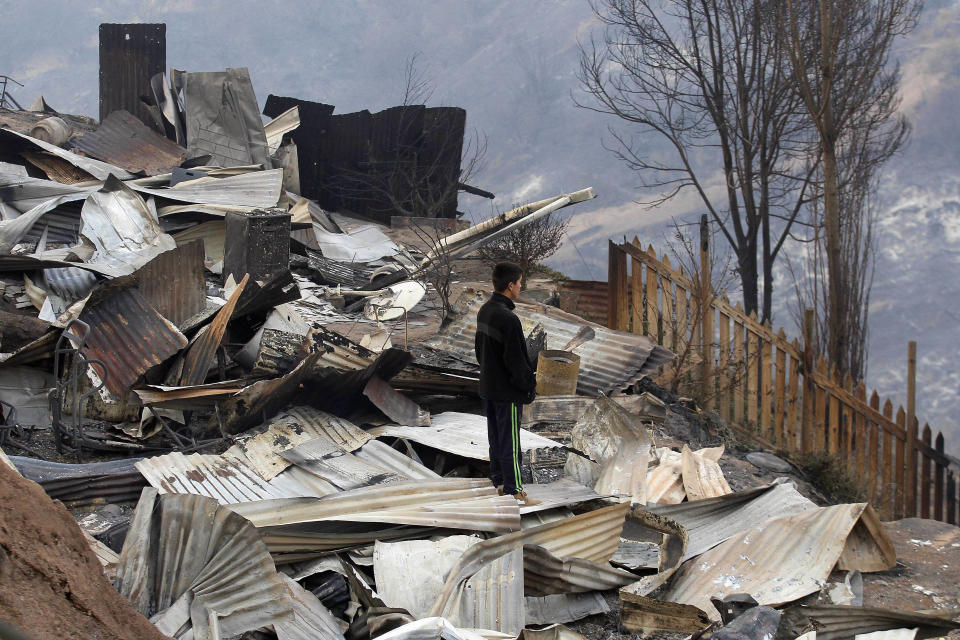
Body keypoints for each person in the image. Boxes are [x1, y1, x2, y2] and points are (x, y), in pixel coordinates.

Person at [475, 262, 540, 506]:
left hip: (489, 387)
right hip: (507, 392)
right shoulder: (508, 318)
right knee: (511, 441)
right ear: (510, 285)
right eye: (520, 283)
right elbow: (515, 361)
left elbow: (479, 351)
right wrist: (528, 386)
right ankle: (515, 491)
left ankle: (500, 482)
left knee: (496, 437)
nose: (521, 287)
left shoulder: (485, 311)